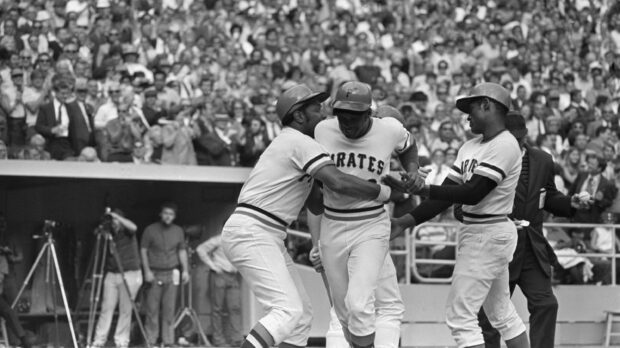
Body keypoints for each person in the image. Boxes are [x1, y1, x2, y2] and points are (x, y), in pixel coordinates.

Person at [221, 84, 408, 348]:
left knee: (299, 319)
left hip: (262, 230)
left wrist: (323, 243)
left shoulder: (294, 143)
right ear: (298, 116)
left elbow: (317, 202)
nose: (322, 115)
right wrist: (387, 192)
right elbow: (339, 182)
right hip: (254, 230)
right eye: (315, 109)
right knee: (286, 311)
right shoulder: (301, 142)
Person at [389, 83, 530, 348]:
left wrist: (424, 187)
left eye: (472, 108)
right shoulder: (470, 146)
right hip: (480, 231)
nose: (467, 116)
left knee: (460, 315)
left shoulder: (505, 144)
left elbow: (475, 192)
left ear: (488, 105)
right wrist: (406, 222)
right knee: (501, 313)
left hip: (488, 232)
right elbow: (450, 193)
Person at [310, 82, 419, 348]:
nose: (347, 121)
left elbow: (408, 146)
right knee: (345, 313)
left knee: (359, 304)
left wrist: (413, 170)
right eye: (342, 114)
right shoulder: (322, 130)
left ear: (368, 113)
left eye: (354, 115)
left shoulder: (389, 129)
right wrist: (316, 242)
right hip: (332, 225)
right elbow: (314, 196)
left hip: (370, 223)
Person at [477, 111, 585, 348]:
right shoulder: (485, 158)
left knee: (546, 303)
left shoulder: (543, 160)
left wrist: (570, 203)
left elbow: (549, 195)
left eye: (520, 138)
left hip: (532, 248)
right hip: (499, 247)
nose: (517, 143)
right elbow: (472, 200)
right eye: (511, 139)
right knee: (489, 313)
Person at [92, 209, 142, 348]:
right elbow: (96, 233)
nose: (113, 223)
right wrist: (103, 226)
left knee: (125, 309)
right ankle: (98, 341)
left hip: (130, 273)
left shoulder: (127, 231)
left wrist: (116, 216)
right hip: (112, 273)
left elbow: (134, 227)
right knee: (106, 308)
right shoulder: (108, 234)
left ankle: (121, 341)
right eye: (112, 221)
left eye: (115, 221)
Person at [141, 202, 189, 347]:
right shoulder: (150, 230)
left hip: (172, 272)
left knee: (169, 309)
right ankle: (151, 341)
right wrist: (147, 271)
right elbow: (143, 250)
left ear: (174, 216)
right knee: (152, 310)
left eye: (171, 214)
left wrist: (185, 270)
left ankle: (168, 341)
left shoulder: (178, 231)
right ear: (161, 214)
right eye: (166, 213)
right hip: (155, 273)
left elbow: (181, 251)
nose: (168, 216)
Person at [196, 233, 242, 346]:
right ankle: (218, 340)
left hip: (233, 276)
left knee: (235, 308)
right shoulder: (219, 239)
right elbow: (200, 249)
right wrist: (213, 266)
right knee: (217, 309)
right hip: (219, 274)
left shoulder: (240, 241)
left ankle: (237, 340)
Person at [34, 73, 75, 160]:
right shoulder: (46, 108)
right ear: (55, 93)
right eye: (62, 93)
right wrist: (51, 130)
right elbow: (38, 126)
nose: (65, 96)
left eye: (67, 94)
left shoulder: (70, 108)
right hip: (51, 143)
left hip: (66, 144)